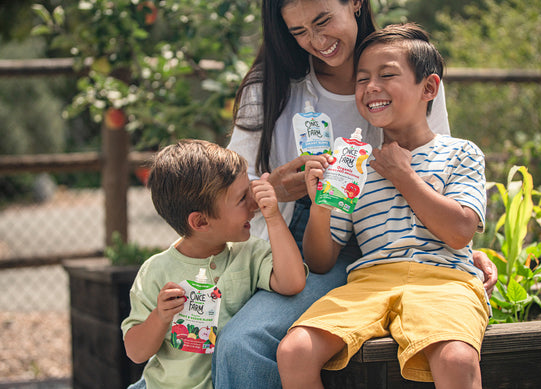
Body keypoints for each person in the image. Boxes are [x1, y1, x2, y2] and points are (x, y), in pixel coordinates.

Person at [215, 1, 497, 388]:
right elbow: (231, 192)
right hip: (308, 235)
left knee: (452, 354)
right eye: (298, 32)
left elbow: (437, 168)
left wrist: (457, 250)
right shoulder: (271, 86)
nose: (316, 41)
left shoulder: (412, 64)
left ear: (355, 2)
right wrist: (280, 190)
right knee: (241, 342)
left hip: (410, 244)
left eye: (323, 20)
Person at [121, 139, 306, 389]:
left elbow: (293, 282)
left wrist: (273, 217)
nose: (253, 203)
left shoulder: (249, 252)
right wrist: (160, 317)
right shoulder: (156, 271)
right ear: (200, 222)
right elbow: (135, 352)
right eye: (242, 198)